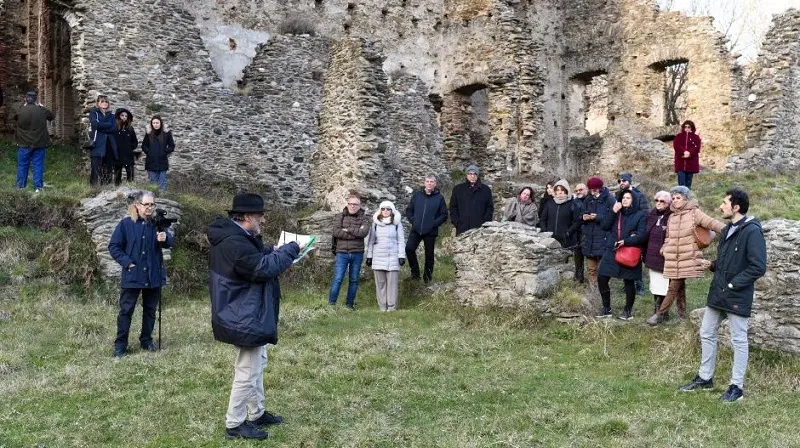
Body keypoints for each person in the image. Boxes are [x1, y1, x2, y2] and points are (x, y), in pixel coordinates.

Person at [207, 193, 304, 440]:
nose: (263, 219)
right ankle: (234, 423)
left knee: (257, 364)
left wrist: (275, 249)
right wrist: (292, 249)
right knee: (247, 370)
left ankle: (256, 413)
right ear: (248, 217)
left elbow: (258, 255)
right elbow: (263, 268)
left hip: (244, 310)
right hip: (242, 314)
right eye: (260, 215)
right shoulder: (234, 243)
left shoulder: (238, 237)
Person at [680, 189, 766, 402]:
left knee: (739, 340)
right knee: (707, 332)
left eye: (724, 203)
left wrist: (733, 283)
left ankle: (737, 388)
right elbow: (730, 262)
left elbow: (758, 266)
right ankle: (705, 378)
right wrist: (712, 265)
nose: (720, 206)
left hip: (737, 295)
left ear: (736, 207)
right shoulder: (728, 229)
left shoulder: (752, 231)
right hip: (718, 292)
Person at [107, 191, 174, 357]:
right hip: (133, 274)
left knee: (150, 310)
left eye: (152, 204)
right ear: (137, 206)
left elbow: (170, 241)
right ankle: (121, 345)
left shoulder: (158, 224)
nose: (149, 208)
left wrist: (164, 238)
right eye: (146, 204)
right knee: (126, 311)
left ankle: (146, 340)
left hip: (153, 275)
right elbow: (114, 246)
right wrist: (128, 263)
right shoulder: (126, 224)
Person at [647, 186, 725, 325]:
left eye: (678, 198)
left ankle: (660, 314)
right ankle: (682, 315)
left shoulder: (695, 213)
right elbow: (668, 236)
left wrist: (731, 230)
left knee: (673, 285)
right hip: (673, 257)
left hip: (686, 256)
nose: (675, 201)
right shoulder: (672, 216)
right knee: (678, 285)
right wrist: (664, 247)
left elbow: (712, 223)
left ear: (686, 199)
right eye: (674, 198)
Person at [595, 189, 646, 320]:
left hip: (629, 252)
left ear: (633, 201)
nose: (625, 200)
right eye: (623, 198)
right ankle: (606, 308)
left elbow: (641, 235)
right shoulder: (616, 213)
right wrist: (613, 211)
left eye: (628, 198)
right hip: (612, 250)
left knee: (629, 282)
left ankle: (627, 311)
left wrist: (626, 241)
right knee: (602, 277)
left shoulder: (640, 215)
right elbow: (605, 226)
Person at [329, 194, 370, 308]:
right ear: (347, 204)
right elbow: (336, 232)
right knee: (338, 279)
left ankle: (349, 305)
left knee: (354, 280)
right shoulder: (339, 216)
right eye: (350, 204)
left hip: (357, 253)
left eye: (355, 204)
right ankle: (331, 304)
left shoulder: (365, 218)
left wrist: (347, 230)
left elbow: (363, 233)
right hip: (342, 252)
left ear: (359, 206)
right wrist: (355, 232)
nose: (352, 206)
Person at [405, 174, 448, 283]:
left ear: (435, 184)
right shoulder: (417, 195)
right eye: (427, 181)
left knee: (429, 255)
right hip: (416, 229)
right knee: (409, 249)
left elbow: (444, 215)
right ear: (424, 183)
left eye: (432, 182)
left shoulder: (439, 198)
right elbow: (409, 210)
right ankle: (415, 275)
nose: (429, 183)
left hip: (430, 231)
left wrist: (433, 224)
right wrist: (413, 221)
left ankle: (427, 279)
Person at [366, 201, 406, 311]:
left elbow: (401, 241)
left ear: (392, 210)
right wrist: (369, 256)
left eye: (388, 209)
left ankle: (392, 307)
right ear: (380, 210)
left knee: (392, 285)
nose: (385, 211)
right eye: (383, 209)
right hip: (378, 257)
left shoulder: (397, 224)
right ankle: (382, 307)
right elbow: (371, 241)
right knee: (380, 284)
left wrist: (401, 256)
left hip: (393, 257)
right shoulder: (375, 224)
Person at [540, 179, 582, 279]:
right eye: (557, 190)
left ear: (567, 191)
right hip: (551, 240)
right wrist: (545, 232)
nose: (559, 192)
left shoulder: (572, 204)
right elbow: (542, 219)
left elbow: (577, 222)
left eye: (562, 190)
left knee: (567, 266)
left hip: (567, 240)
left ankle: (573, 281)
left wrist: (568, 233)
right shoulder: (550, 203)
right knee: (551, 264)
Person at [13, 91, 54, 193]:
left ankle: (20, 187)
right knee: (38, 165)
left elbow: (14, 117)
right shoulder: (41, 110)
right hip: (39, 143)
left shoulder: (21, 110)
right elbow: (52, 116)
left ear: (25, 99)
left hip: (23, 143)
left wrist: (24, 105)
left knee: (22, 165)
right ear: (36, 100)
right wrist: (41, 106)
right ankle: (38, 188)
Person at [618, 172, 649, 295]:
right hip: (624, 231)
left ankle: (640, 285)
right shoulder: (619, 195)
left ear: (629, 181)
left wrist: (637, 231)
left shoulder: (640, 196)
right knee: (624, 257)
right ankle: (627, 284)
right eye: (619, 181)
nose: (621, 183)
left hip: (637, 232)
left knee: (635, 258)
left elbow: (646, 214)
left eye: (624, 181)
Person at [643, 191, 672, 318]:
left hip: (665, 257)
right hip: (651, 255)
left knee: (665, 285)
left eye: (662, 201)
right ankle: (657, 309)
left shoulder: (672, 217)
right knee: (655, 284)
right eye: (657, 201)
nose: (659, 203)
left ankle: (663, 312)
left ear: (668, 203)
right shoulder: (651, 215)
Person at [581, 177, 615, 285]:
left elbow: (613, 217)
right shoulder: (588, 199)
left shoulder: (609, 199)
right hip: (589, 238)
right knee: (591, 269)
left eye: (595, 189)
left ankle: (604, 288)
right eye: (591, 189)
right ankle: (593, 290)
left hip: (603, 237)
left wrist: (598, 217)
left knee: (603, 269)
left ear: (600, 188)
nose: (593, 191)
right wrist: (584, 217)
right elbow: (582, 212)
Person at [450, 164, 494, 235]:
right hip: (462, 228)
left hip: (479, 229)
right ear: (467, 175)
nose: (472, 176)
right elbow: (453, 207)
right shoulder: (458, 189)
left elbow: (489, 208)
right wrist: (457, 222)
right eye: (470, 174)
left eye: (475, 174)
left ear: (477, 175)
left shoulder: (485, 190)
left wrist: (485, 222)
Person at [89, 95, 117, 186]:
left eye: (106, 101)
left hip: (109, 144)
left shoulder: (112, 116)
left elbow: (114, 129)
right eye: (102, 101)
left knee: (108, 168)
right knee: (95, 167)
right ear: (98, 103)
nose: (104, 103)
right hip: (97, 143)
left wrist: (101, 126)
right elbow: (94, 124)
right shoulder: (94, 113)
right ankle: (93, 189)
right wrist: (107, 124)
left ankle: (106, 189)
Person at [142, 115, 175, 191]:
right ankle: (152, 201)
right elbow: (144, 145)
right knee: (153, 184)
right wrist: (149, 152)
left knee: (162, 184)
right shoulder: (149, 133)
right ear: (151, 124)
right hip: (151, 162)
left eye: (157, 123)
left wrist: (165, 151)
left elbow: (172, 146)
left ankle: (162, 201)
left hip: (162, 162)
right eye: (153, 123)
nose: (155, 124)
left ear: (160, 123)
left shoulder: (166, 133)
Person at [112, 108, 138, 185]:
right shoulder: (114, 129)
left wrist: (130, 147)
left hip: (128, 156)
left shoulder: (130, 129)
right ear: (118, 116)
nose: (124, 117)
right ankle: (117, 194)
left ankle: (131, 193)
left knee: (130, 177)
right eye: (122, 115)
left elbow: (135, 142)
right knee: (117, 178)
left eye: (126, 116)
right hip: (117, 156)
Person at [673, 120, 701, 189]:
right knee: (681, 184)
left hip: (691, 164)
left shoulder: (696, 138)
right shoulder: (678, 136)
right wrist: (683, 152)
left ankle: (687, 198)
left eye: (689, 127)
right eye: (685, 127)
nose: (687, 128)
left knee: (688, 183)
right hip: (680, 163)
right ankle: (681, 197)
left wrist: (689, 153)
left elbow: (696, 147)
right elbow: (676, 146)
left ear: (692, 128)